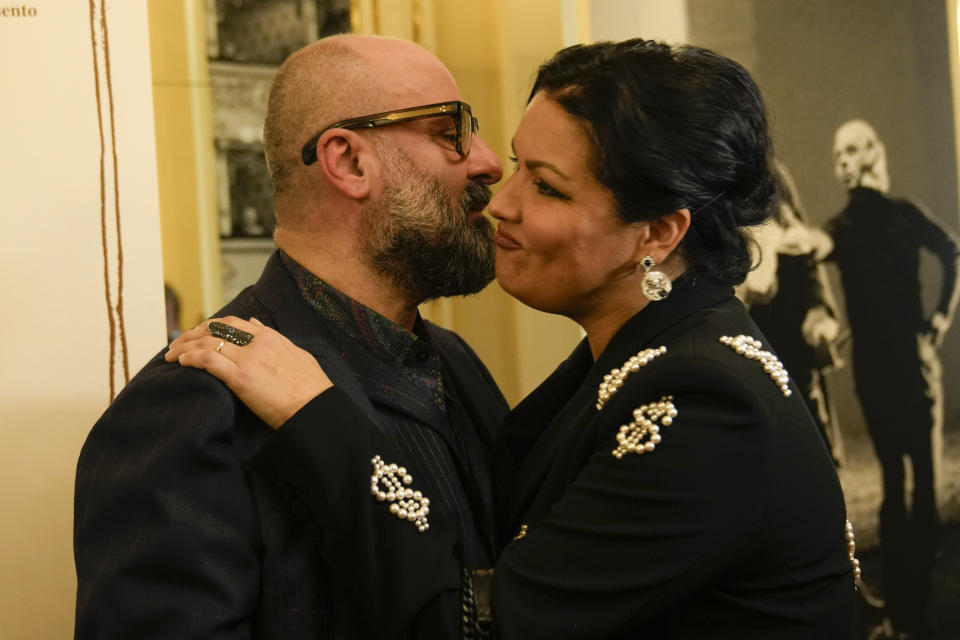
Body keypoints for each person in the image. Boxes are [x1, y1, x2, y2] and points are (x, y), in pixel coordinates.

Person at [169, 39, 858, 638]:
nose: (500, 198)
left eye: (549, 187)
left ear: (656, 234)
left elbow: (483, 624)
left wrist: (322, 425)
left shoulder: (706, 401)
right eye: (518, 163)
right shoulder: (190, 411)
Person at [74, 34, 507, 638]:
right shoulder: (193, 406)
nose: (488, 162)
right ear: (349, 161)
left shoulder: (457, 364)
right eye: (449, 132)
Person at [824, 118, 960, 638]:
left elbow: (950, 250)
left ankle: (916, 608)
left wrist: (941, 316)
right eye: (842, 151)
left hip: (916, 363)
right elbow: (818, 244)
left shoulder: (904, 216)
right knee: (892, 484)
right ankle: (903, 612)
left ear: (877, 152)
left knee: (923, 480)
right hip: (875, 370)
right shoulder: (844, 226)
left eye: (858, 147)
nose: (850, 158)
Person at [738, 163, 844, 463]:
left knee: (804, 416)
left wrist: (817, 306)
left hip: (783, 316)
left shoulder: (769, 173)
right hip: (730, 317)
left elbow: (801, 243)